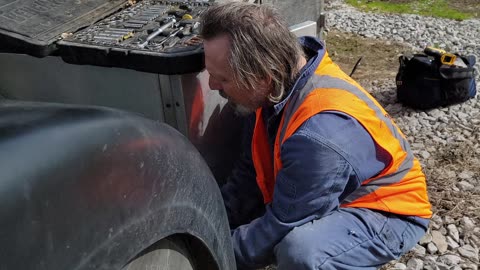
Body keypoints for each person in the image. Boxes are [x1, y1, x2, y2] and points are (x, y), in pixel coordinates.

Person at [200, 2, 432, 269]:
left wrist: (208, 258)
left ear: (264, 77)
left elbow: (282, 225)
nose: (212, 85)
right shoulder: (278, 84)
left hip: (387, 209)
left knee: (301, 252)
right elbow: (250, 172)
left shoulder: (318, 134)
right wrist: (210, 224)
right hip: (326, 182)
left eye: (224, 79)